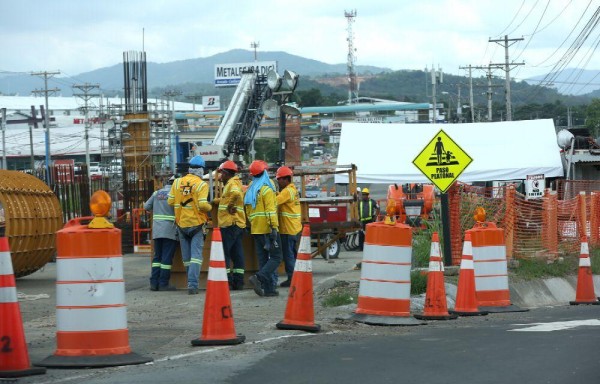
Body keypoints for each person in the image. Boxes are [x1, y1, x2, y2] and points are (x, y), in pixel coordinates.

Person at [168, 155, 211, 295]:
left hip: (181, 224)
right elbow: (203, 205)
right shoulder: (202, 185)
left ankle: (189, 283)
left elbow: (170, 202)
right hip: (197, 224)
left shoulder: (177, 182)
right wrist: (211, 207)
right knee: (196, 256)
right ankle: (193, 285)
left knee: (187, 258)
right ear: (201, 170)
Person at [244, 160, 282, 297]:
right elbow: (271, 210)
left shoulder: (251, 189)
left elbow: (248, 211)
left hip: (256, 230)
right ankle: (258, 278)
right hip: (267, 229)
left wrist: (252, 226)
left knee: (264, 259)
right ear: (265, 172)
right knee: (276, 257)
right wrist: (274, 228)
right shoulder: (267, 187)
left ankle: (269, 289)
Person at [212, 160, 246, 290]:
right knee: (237, 254)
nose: (220, 177)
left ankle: (228, 282)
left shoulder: (232, 184)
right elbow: (229, 197)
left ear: (226, 173)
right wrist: (217, 201)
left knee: (225, 253)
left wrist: (230, 206)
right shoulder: (234, 183)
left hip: (229, 225)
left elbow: (236, 194)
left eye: (221, 174)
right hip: (236, 224)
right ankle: (239, 282)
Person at [145, 175, 178, 291]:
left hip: (157, 230)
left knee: (157, 257)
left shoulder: (156, 193)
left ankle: (154, 283)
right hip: (170, 230)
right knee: (166, 258)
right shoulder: (175, 194)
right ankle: (163, 283)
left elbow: (146, 206)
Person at [275, 166, 302, 287]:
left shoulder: (287, 191)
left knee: (288, 255)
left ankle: (292, 278)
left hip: (288, 228)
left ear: (286, 179)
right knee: (293, 254)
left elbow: (275, 201)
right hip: (294, 228)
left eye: (279, 179)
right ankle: (297, 277)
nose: (278, 181)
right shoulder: (292, 190)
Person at [358, 187, 380, 252]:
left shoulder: (372, 201)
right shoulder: (360, 202)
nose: (363, 196)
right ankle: (361, 248)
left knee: (370, 235)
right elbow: (356, 210)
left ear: (367, 195)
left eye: (365, 194)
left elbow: (378, 208)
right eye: (363, 194)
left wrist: (375, 216)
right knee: (361, 234)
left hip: (370, 221)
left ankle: (370, 247)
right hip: (362, 221)